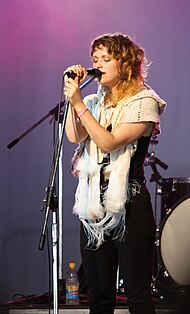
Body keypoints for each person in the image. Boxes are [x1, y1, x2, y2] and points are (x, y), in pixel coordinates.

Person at [64, 33, 166, 314]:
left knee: (138, 297)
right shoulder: (95, 101)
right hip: (94, 206)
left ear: (126, 63)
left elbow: (108, 142)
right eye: (95, 59)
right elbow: (75, 136)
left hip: (129, 203)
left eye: (106, 59)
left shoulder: (144, 102)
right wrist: (76, 102)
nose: (98, 64)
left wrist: (80, 105)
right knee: (99, 300)